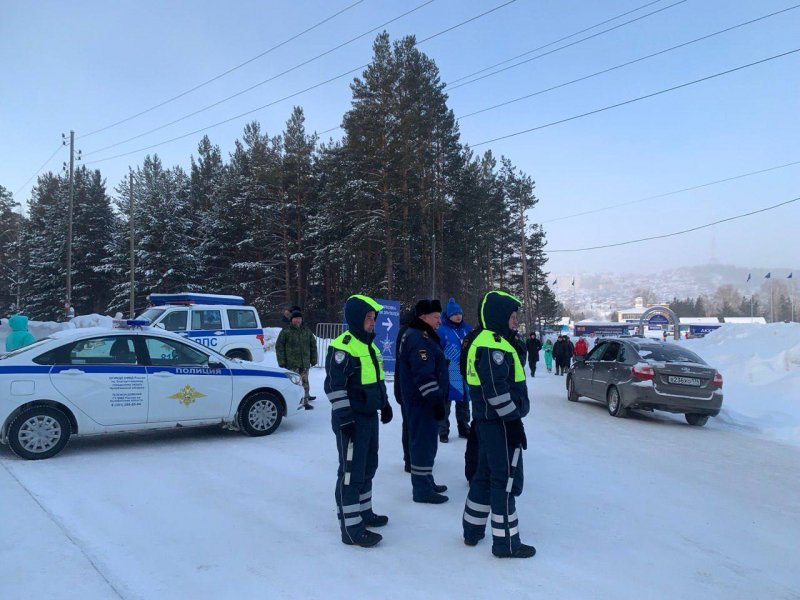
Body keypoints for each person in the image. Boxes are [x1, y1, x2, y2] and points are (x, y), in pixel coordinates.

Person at [462, 290, 535, 558]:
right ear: (499, 316)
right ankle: (506, 544)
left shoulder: (492, 340)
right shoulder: (492, 344)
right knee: (505, 482)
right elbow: (495, 391)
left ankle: (472, 530)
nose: (515, 321)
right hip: (500, 424)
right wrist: (514, 423)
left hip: (489, 422)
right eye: (512, 316)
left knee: (484, 476)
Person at [324, 294, 393, 548]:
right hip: (351, 419)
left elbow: (376, 380)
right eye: (368, 317)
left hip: (369, 417)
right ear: (356, 318)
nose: (373, 322)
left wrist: (384, 404)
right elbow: (334, 386)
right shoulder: (342, 346)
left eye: (374, 318)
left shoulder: (371, 346)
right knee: (351, 472)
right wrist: (345, 419)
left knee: (368, 466)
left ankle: (365, 512)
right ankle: (351, 528)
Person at [398, 299, 449, 504]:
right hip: (422, 402)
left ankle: (427, 480)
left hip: (423, 401)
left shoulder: (422, 336)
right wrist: (435, 400)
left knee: (428, 443)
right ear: (423, 317)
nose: (439, 321)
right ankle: (422, 490)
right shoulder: (419, 338)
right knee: (422, 444)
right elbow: (423, 374)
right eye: (436, 317)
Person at [437, 297, 473, 442]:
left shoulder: (467, 329)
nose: (458, 316)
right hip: (449, 372)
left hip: (464, 371)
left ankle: (464, 428)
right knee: (446, 404)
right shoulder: (441, 330)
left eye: (459, 313)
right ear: (448, 315)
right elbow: (436, 349)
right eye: (454, 314)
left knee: (464, 402)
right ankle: (443, 431)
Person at [275, 308, 317, 410]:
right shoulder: (285, 331)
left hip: (304, 363)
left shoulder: (306, 331)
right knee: (293, 385)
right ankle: (293, 403)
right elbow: (279, 347)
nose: (297, 320)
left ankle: (305, 402)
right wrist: (282, 362)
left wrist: (313, 359)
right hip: (291, 364)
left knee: (305, 384)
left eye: (299, 318)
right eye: (295, 318)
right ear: (291, 320)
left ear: (302, 319)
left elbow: (313, 346)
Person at [393, 308, 415, 473]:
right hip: (407, 387)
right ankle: (410, 459)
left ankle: (411, 458)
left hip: (404, 386)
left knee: (409, 424)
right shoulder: (407, 333)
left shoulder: (406, 331)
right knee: (409, 424)